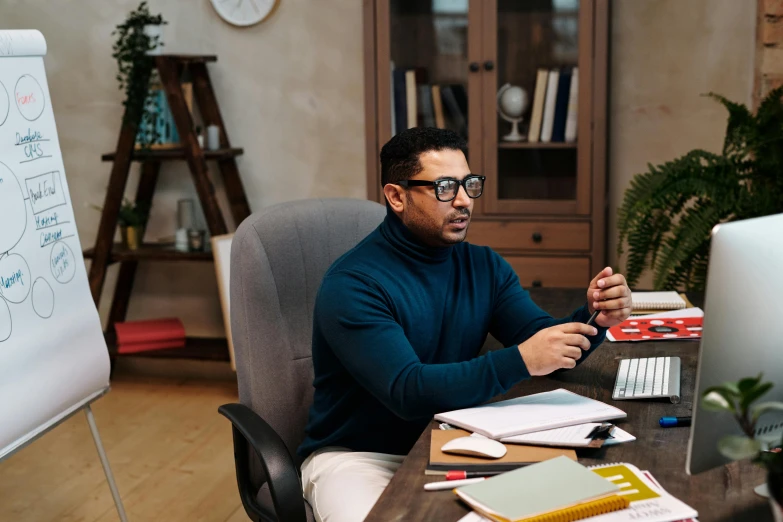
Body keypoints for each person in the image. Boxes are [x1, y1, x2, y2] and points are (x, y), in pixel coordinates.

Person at [297, 127, 632, 522]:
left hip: (457, 441)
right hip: (360, 457)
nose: (463, 201)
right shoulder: (353, 284)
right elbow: (407, 391)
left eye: (469, 184)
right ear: (396, 196)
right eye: (444, 187)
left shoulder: (484, 266)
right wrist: (523, 359)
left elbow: (544, 345)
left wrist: (594, 318)